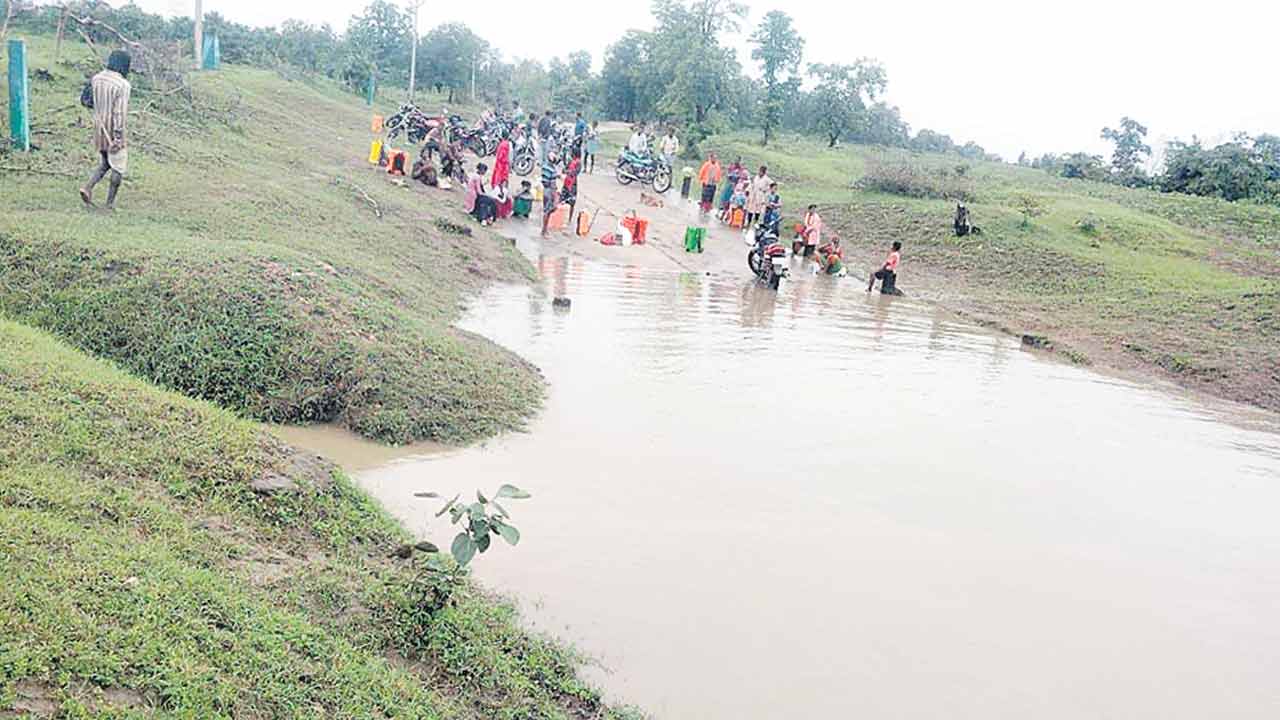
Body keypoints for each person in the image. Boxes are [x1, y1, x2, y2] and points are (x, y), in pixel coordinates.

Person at [80, 50, 132, 210]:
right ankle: (109, 204)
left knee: (106, 162)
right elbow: (119, 112)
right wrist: (118, 137)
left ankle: (87, 188)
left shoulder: (96, 78)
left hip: (98, 127)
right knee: (119, 166)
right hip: (113, 130)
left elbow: (86, 101)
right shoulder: (123, 85)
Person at [541, 151, 561, 237]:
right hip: (550, 191)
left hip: (545, 190)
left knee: (546, 210)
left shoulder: (545, 166)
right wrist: (555, 197)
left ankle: (544, 229)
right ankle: (544, 230)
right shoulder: (552, 170)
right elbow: (553, 185)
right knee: (549, 210)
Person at [561, 155, 581, 227]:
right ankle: (561, 217)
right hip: (567, 183)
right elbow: (564, 170)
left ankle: (569, 219)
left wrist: (568, 171)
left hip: (572, 184)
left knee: (572, 202)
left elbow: (575, 172)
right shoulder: (570, 161)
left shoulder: (578, 163)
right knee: (562, 200)